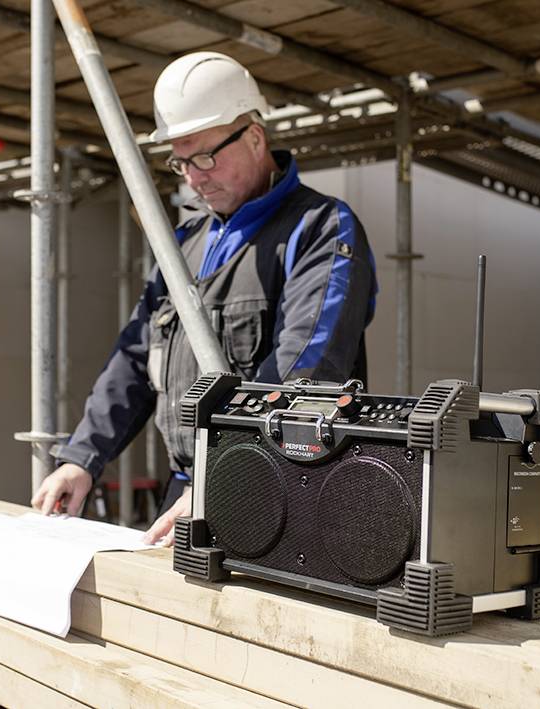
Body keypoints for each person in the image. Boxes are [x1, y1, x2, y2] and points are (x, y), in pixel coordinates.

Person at [32, 51, 378, 545]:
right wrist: (82, 458)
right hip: (188, 489)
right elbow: (133, 360)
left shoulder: (320, 228)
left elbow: (303, 375)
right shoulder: (185, 243)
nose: (193, 177)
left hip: (279, 489)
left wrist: (219, 482)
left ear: (255, 137)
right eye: (180, 161)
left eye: (205, 157)